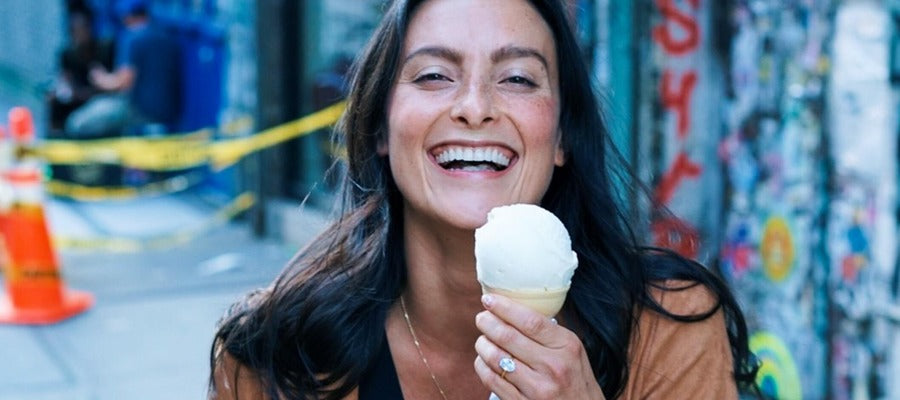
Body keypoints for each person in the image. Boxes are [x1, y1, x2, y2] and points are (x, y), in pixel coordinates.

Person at [209, 0, 760, 399]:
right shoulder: (273, 357)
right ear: (381, 127)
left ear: (563, 136)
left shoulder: (671, 330)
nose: (475, 107)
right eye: (433, 75)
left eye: (518, 79)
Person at [66, 0, 181, 137]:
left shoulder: (132, 38)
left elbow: (124, 83)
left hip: (139, 110)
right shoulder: (166, 37)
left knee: (76, 123)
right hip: (170, 111)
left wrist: (101, 79)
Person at [47, 7, 115, 135]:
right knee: (54, 101)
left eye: (83, 29)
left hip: (100, 98)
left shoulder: (105, 49)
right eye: (76, 31)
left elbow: (111, 84)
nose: (81, 34)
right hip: (78, 97)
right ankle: (56, 139)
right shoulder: (67, 54)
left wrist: (101, 82)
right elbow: (65, 81)